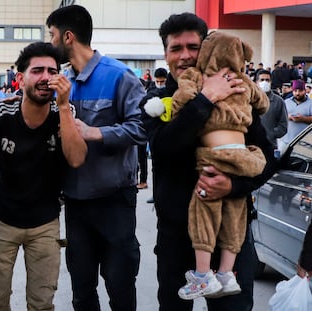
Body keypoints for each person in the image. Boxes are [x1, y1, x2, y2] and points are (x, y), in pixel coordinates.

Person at [140, 12, 276, 310]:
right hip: (176, 238)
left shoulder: (238, 94)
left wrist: (233, 184)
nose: (185, 56)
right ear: (165, 54)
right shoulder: (157, 102)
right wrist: (204, 99)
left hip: (231, 238)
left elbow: (267, 158)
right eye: (176, 48)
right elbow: (164, 148)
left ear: (207, 49)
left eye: (193, 47)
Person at [0, 41, 87, 311]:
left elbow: (76, 158)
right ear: (20, 78)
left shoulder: (66, 113)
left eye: (52, 71)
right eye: (37, 70)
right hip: (3, 219)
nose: (46, 78)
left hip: (45, 224)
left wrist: (62, 107)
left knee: (41, 303)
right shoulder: (2, 112)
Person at [46, 5, 147, 310]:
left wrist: (95, 133)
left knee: (119, 285)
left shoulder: (120, 76)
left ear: (68, 36)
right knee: (81, 289)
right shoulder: (60, 83)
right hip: (76, 203)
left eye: (51, 35)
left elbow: (141, 128)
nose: (49, 43)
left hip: (115, 201)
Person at [255, 69, 288, 152]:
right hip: (251, 147)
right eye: (262, 80)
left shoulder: (278, 101)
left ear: (271, 82)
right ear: (256, 82)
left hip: (269, 146)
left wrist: (270, 134)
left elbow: (283, 126)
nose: (265, 82)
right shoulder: (249, 100)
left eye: (267, 80)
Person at [280, 79, 312, 152]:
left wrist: (303, 119)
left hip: (304, 143)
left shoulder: (310, 103)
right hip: (286, 140)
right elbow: (279, 116)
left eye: (300, 91)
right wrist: (287, 117)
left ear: (305, 90)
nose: (297, 93)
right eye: (295, 91)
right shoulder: (286, 102)